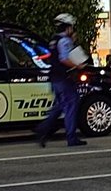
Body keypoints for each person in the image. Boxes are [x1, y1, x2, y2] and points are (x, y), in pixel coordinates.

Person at [36, 13, 89, 147]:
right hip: (63, 79)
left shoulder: (53, 40)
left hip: (54, 78)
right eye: (71, 27)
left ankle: (43, 129)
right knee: (71, 105)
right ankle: (71, 137)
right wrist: (77, 66)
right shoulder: (65, 41)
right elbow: (64, 59)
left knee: (60, 106)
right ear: (68, 27)